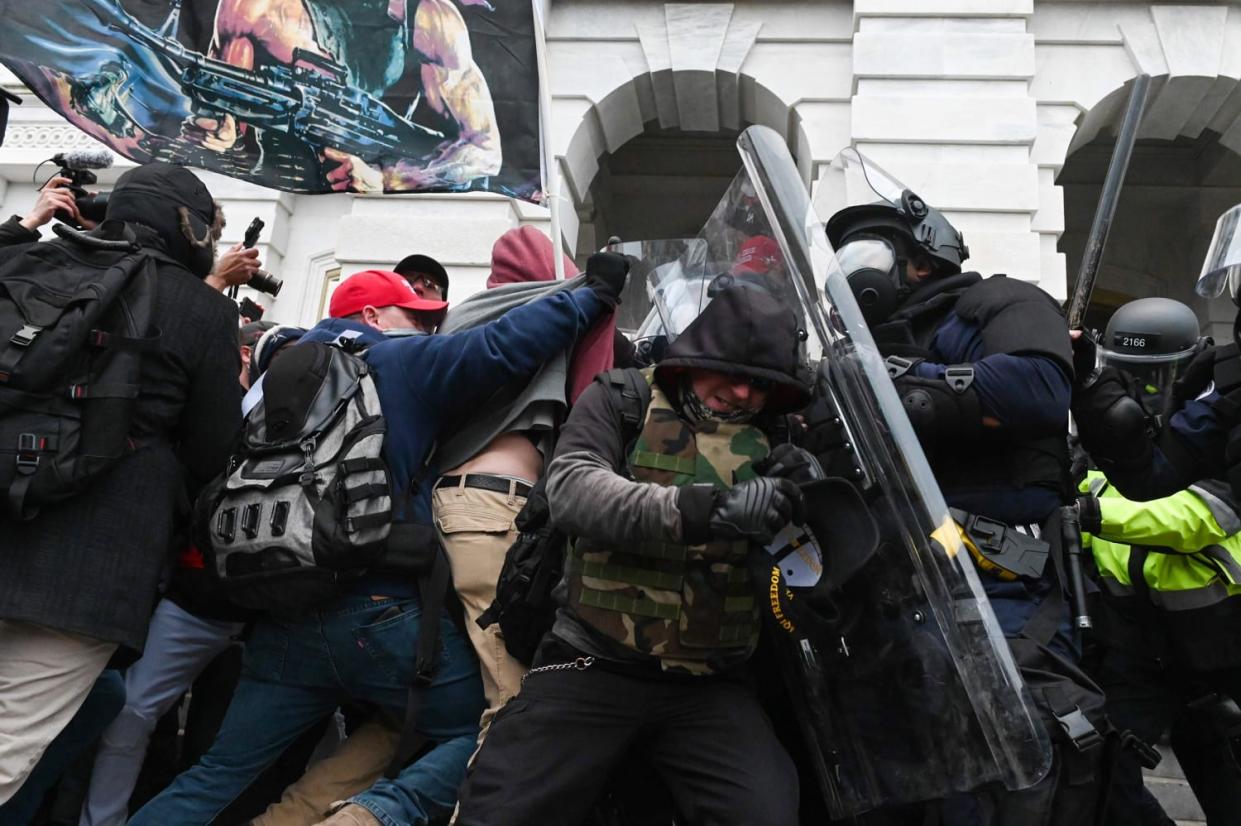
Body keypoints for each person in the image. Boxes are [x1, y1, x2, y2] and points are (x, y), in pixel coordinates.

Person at [130, 256, 627, 826]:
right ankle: (370, 817)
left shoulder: (272, 381)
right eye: (415, 316)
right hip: (382, 611)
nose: (428, 329)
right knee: (497, 722)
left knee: (215, 775)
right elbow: (502, 346)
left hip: (282, 615)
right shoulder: (393, 360)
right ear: (373, 314)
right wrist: (594, 293)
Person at [454, 285, 813, 826]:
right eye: (729, 372)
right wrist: (705, 510)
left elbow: (809, 566)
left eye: (760, 384)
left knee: (765, 811)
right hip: (594, 660)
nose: (740, 392)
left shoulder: (776, 435)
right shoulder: (622, 400)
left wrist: (804, 496)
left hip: (709, 681)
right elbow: (574, 489)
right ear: (695, 359)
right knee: (502, 810)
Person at [823, 183, 1105, 823]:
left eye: (864, 253)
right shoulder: (850, 355)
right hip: (889, 588)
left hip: (998, 582)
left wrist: (900, 384)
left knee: (998, 767)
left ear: (923, 258)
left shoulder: (995, 302)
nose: (852, 273)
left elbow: (1035, 386)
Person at [0, 162, 243, 804]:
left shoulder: (30, 262)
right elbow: (213, 445)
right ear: (186, 229)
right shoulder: (200, 308)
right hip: (89, 567)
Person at [77, 321, 275, 826]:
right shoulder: (218, 412)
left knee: (222, 743)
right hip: (201, 598)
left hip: (261, 608)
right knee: (134, 714)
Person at [187, 0, 500, 192]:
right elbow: (227, 130)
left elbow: (484, 150)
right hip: (284, 179)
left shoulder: (431, 20)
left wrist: (389, 180)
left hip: (375, 194)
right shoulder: (255, 8)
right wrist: (225, 132)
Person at [1077, 471, 1241, 826]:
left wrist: (1091, 514)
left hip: (1226, 648)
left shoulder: (1216, 446)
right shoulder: (1098, 472)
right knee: (1105, 764)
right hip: (1143, 653)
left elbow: (1195, 519)